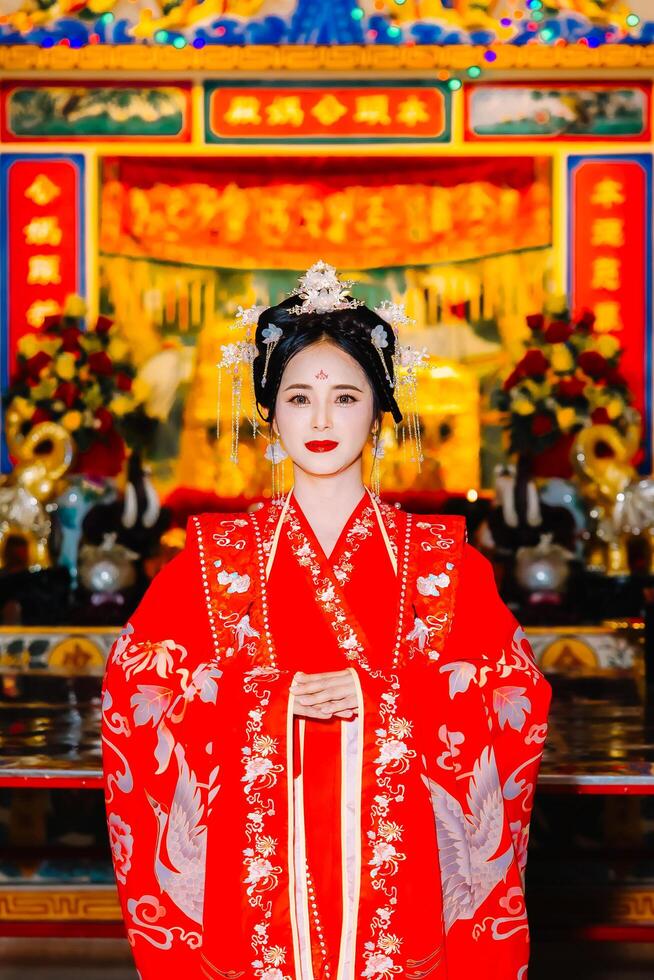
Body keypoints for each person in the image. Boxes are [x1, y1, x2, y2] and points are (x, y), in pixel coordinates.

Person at [102, 263, 552, 979]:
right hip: (256, 882)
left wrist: (382, 699)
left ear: (379, 410)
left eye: (344, 397)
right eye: (298, 397)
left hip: (397, 879)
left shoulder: (444, 562)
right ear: (268, 413)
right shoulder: (215, 560)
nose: (319, 420)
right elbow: (138, 692)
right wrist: (267, 699)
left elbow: (511, 697)